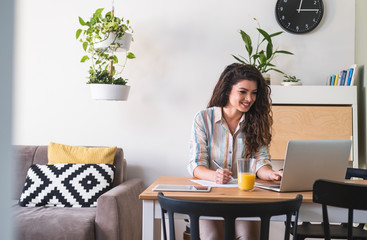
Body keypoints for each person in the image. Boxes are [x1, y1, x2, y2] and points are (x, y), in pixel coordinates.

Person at [187, 63, 283, 240]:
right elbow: (196, 164)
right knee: (212, 237)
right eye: (243, 91)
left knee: (249, 237)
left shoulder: (257, 121)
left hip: (244, 199)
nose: (249, 98)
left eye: (254, 93)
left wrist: (271, 174)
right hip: (208, 198)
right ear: (227, 90)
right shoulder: (203, 119)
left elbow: (260, 160)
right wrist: (214, 176)